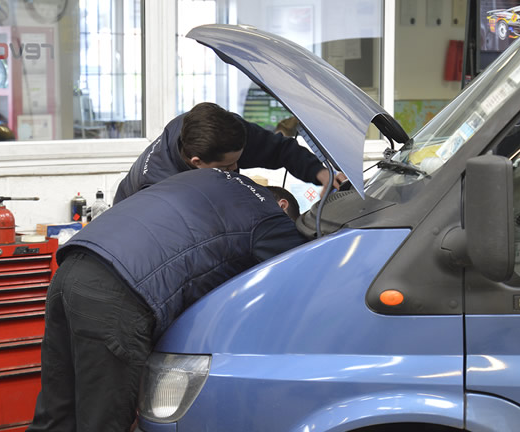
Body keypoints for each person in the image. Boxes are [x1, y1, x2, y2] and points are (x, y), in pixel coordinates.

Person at [28, 169, 307, 431]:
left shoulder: (214, 179)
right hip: (116, 294)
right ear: (282, 206)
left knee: (56, 413)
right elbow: (302, 273)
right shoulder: (269, 219)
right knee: (103, 420)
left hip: (72, 268)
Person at [114, 103, 345, 204]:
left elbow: (281, 149)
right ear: (197, 162)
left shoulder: (226, 131)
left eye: (237, 162)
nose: (234, 170)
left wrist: (320, 172)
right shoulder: (159, 185)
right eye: (225, 168)